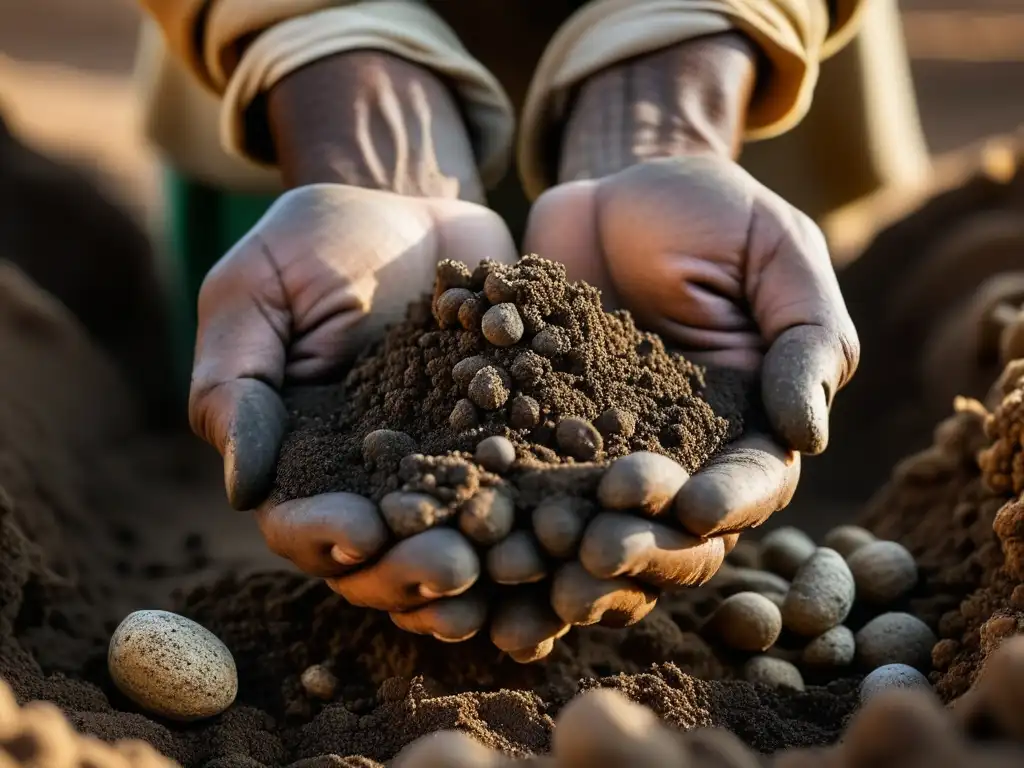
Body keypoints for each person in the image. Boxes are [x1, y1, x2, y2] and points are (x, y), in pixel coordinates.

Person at [133, 0, 928, 660]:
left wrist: (670, 79)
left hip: (705, 83)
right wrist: (326, 52)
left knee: (746, 300)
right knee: (290, 322)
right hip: (314, 102)